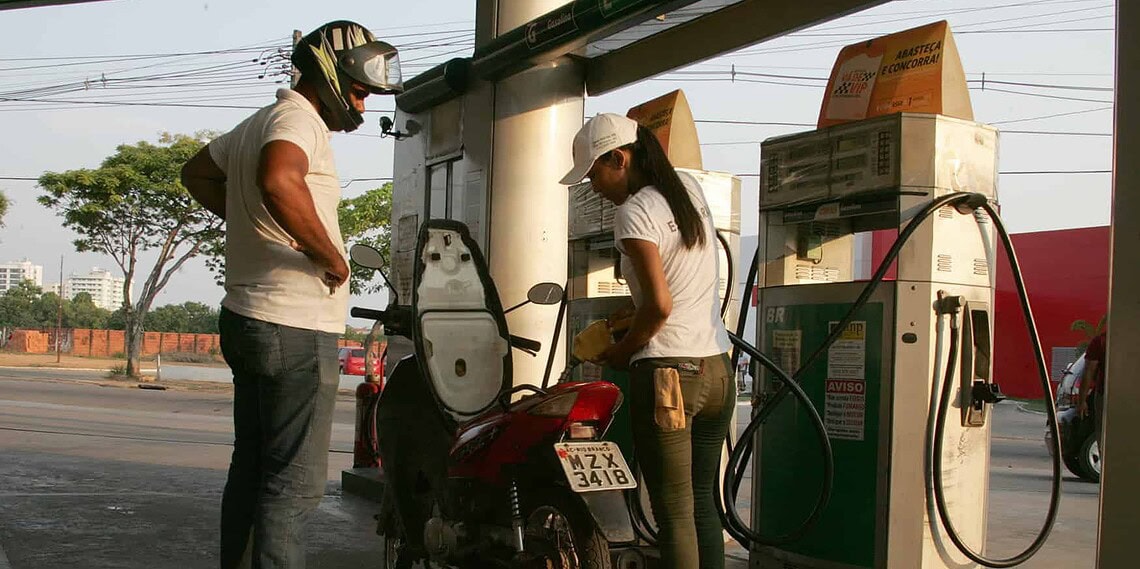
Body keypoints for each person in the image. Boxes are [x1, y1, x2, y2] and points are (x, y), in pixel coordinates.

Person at [180, 21, 402, 568]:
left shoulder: (259, 122)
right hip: (294, 325)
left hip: (250, 319)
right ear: (328, 75)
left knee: (254, 470)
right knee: (294, 486)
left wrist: (256, 225)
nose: (361, 104)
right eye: (357, 91)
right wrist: (329, 254)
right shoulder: (298, 120)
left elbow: (197, 175)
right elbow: (281, 179)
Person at [561, 113, 734, 569]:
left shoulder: (634, 212)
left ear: (620, 158)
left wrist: (620, 351)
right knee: (702, 503)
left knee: (673, 512)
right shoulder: (687, 192)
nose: (594, 186)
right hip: (717, 369)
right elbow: (674, 289)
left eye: (594, 174)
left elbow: (659, 306)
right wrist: (627, 320)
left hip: (669, 376)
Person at [1078, 327, 1107, 450]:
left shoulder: (1101, 341)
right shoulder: (1100, 341)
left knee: (1104, 435)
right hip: (1105, 395)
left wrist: (1082, 401)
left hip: (1105, 395)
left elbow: (1089, 371)